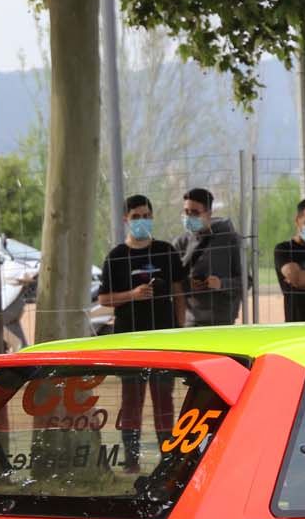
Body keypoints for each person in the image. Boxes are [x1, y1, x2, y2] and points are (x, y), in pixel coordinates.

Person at [99, 194, 186, 467]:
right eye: (136, 217)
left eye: (146, 216)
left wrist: (180, 330)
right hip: (130, 340)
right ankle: (131, 458)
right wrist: (132, 295)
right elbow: (104, 299)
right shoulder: (116, 257)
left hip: (164, 340)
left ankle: (168, 457)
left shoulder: (166, 250)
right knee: (132, 400)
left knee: (164, 400)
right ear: (126, 219)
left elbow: (179, 293)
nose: (142, 221)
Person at [180, 188, 244, 327]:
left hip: (222, 321)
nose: (189, 217)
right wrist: (187, 284)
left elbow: (246, 281)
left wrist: (221, 284)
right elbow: (172, 282)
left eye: (195, 213)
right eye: (186, 212)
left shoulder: (230, 239)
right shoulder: (180, 242)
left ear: (209, 214)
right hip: (189, 321)